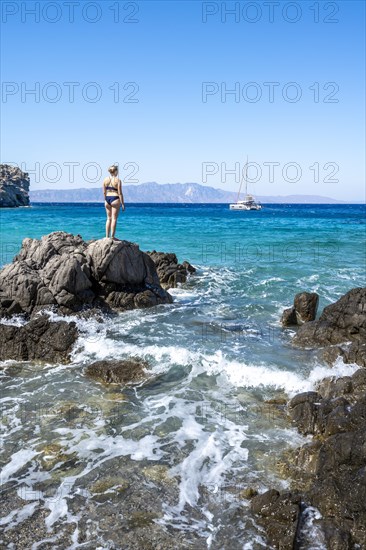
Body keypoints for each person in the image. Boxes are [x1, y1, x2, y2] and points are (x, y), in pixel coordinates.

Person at [103, 164, 125, 239]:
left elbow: (104, 192)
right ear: (115, 171)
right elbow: (120, 193)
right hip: (115, 198)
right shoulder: (118, 180)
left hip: (107, 199)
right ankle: (112, 236)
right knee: (114, 218)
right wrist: (122, 203)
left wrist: (105, 200)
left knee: (108, 218)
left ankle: (106, 236)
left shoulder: (105, 180)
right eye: (117, 171)